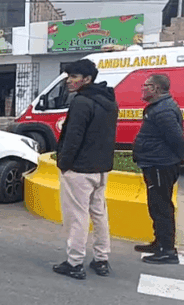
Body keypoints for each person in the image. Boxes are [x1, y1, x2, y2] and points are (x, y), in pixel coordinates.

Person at [52, 59, 119, 280]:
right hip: (101, 168)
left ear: (87, 79)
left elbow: (73, 137)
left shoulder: (82, 101)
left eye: (74, 77)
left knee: (77, 217)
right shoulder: (109, 101)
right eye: (69, 76)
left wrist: (64, 163)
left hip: (80, 169)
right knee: (99, 214)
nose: (69, 81)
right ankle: (101, 259)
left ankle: (74, 262)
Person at [133, 74, 184, 265]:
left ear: (156, 89)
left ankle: (167, 250)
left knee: (161, 207)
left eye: (146, 85)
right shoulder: (160, 107)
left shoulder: (163, 110)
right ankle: (159, 242)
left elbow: (176, 138)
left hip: (160, 164)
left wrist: (182, 156)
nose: (143, 89)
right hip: (156, 163)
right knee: (156, 205)